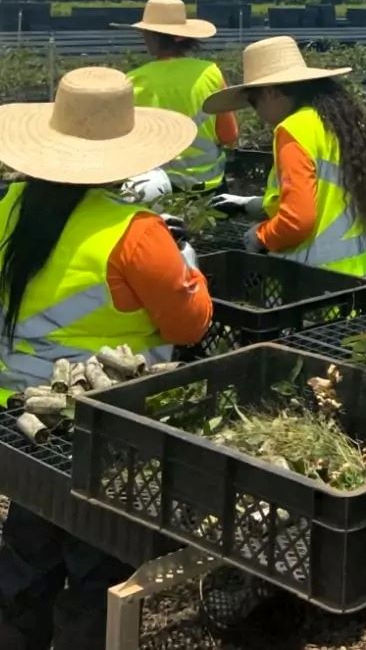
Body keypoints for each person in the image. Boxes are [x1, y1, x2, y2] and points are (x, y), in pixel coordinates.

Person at [0, 66, 214, 650]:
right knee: (97, 565)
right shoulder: (136, 233)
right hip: (103, 423)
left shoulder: (11, 206)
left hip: (20, 417)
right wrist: (186, 261)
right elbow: (191, 323)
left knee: (29, 545)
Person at [206, 36, 366, 309]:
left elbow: (297, 221)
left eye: (254, 102)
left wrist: (260, 236)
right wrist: (252, 205)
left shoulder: (293, 129)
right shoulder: (336, 120)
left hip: (320, 290)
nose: (257, 112)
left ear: (271, 92)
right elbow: (328, 193)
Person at [116, 0, 239, 198]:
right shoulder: (210, 73)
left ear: (151, 36)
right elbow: (229, 135)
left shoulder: (132, 81)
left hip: (157, 190)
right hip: (209, 186)